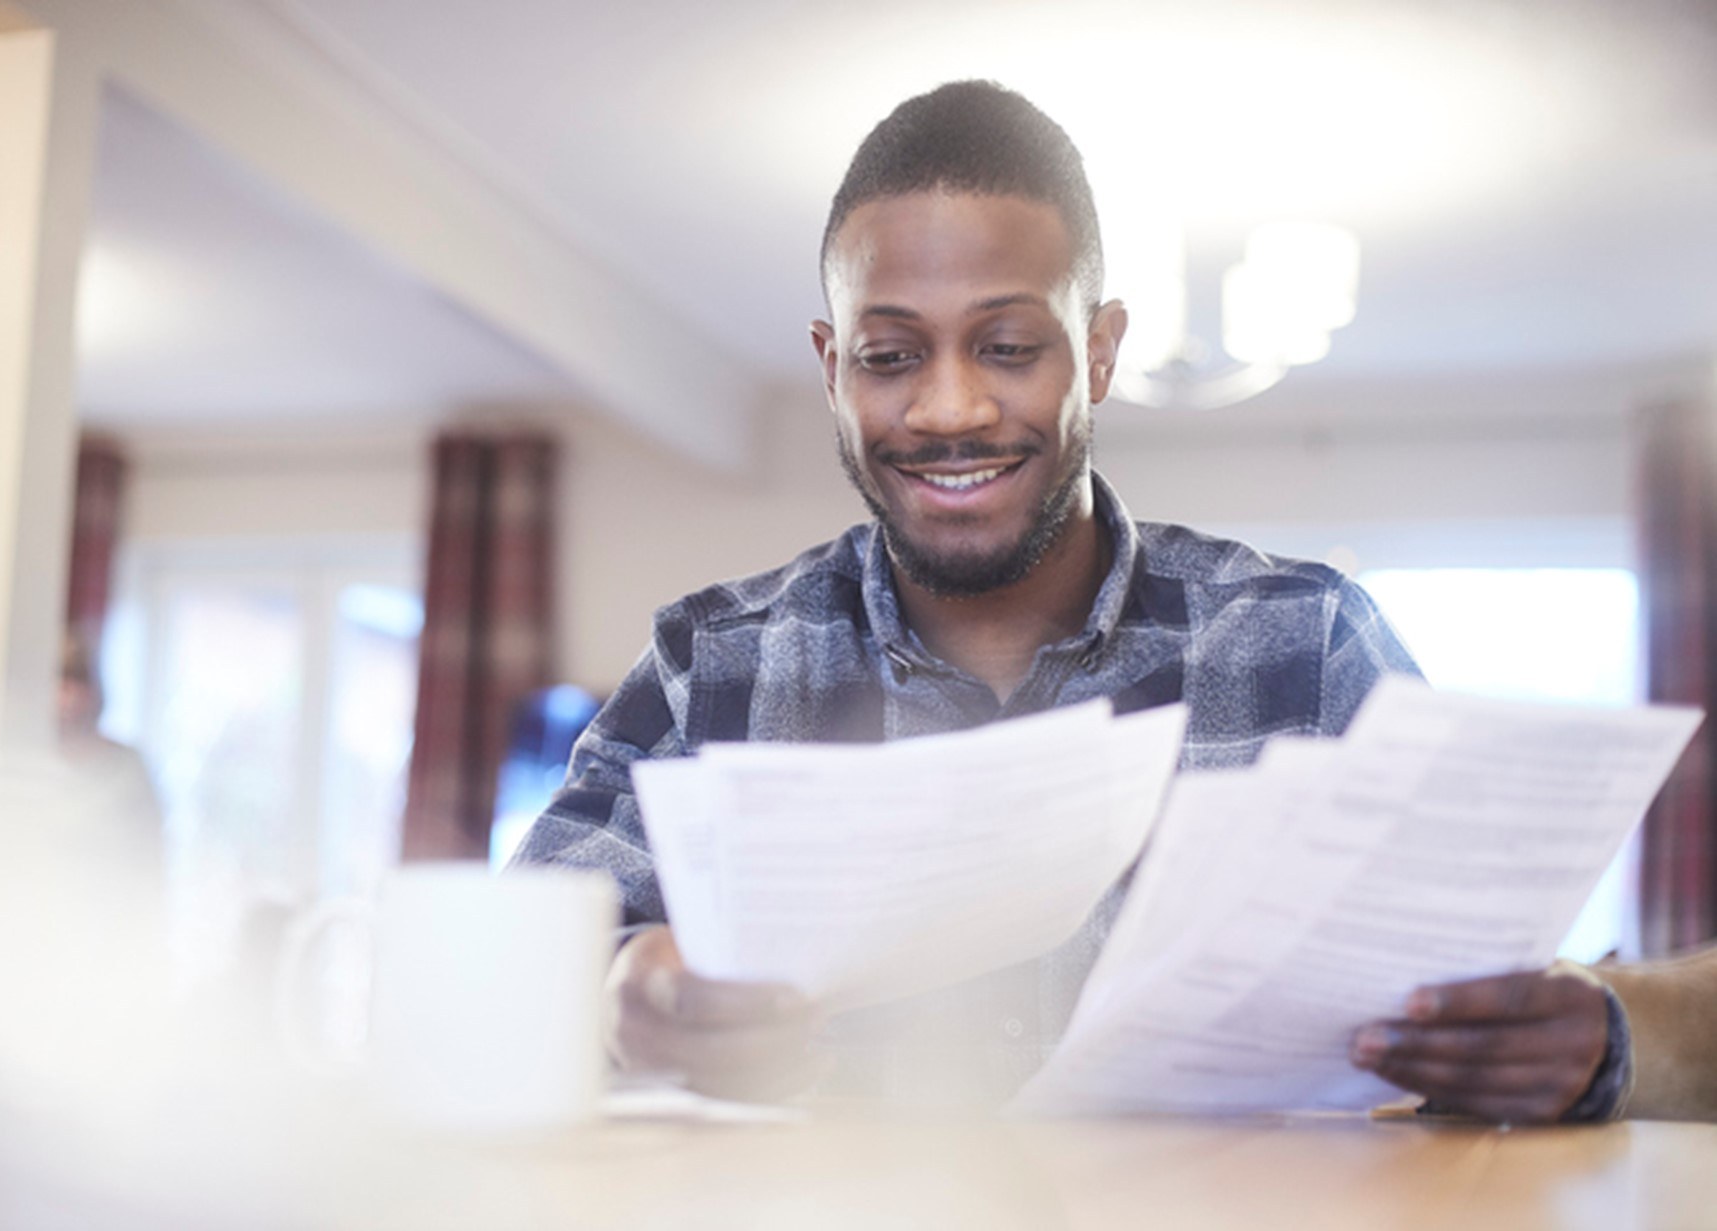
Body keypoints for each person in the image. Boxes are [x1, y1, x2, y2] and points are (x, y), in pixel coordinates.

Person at [514, 80, 1710, 1121]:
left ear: (1097, 350)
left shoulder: (1306, 643)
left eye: (1007, 345)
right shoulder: (709, 666)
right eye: (891, 356)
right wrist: (620, 1000)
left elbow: (1492, 990)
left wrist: (1567, 1037)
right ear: (833, 369)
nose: (948, 411)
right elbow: (500, 979)